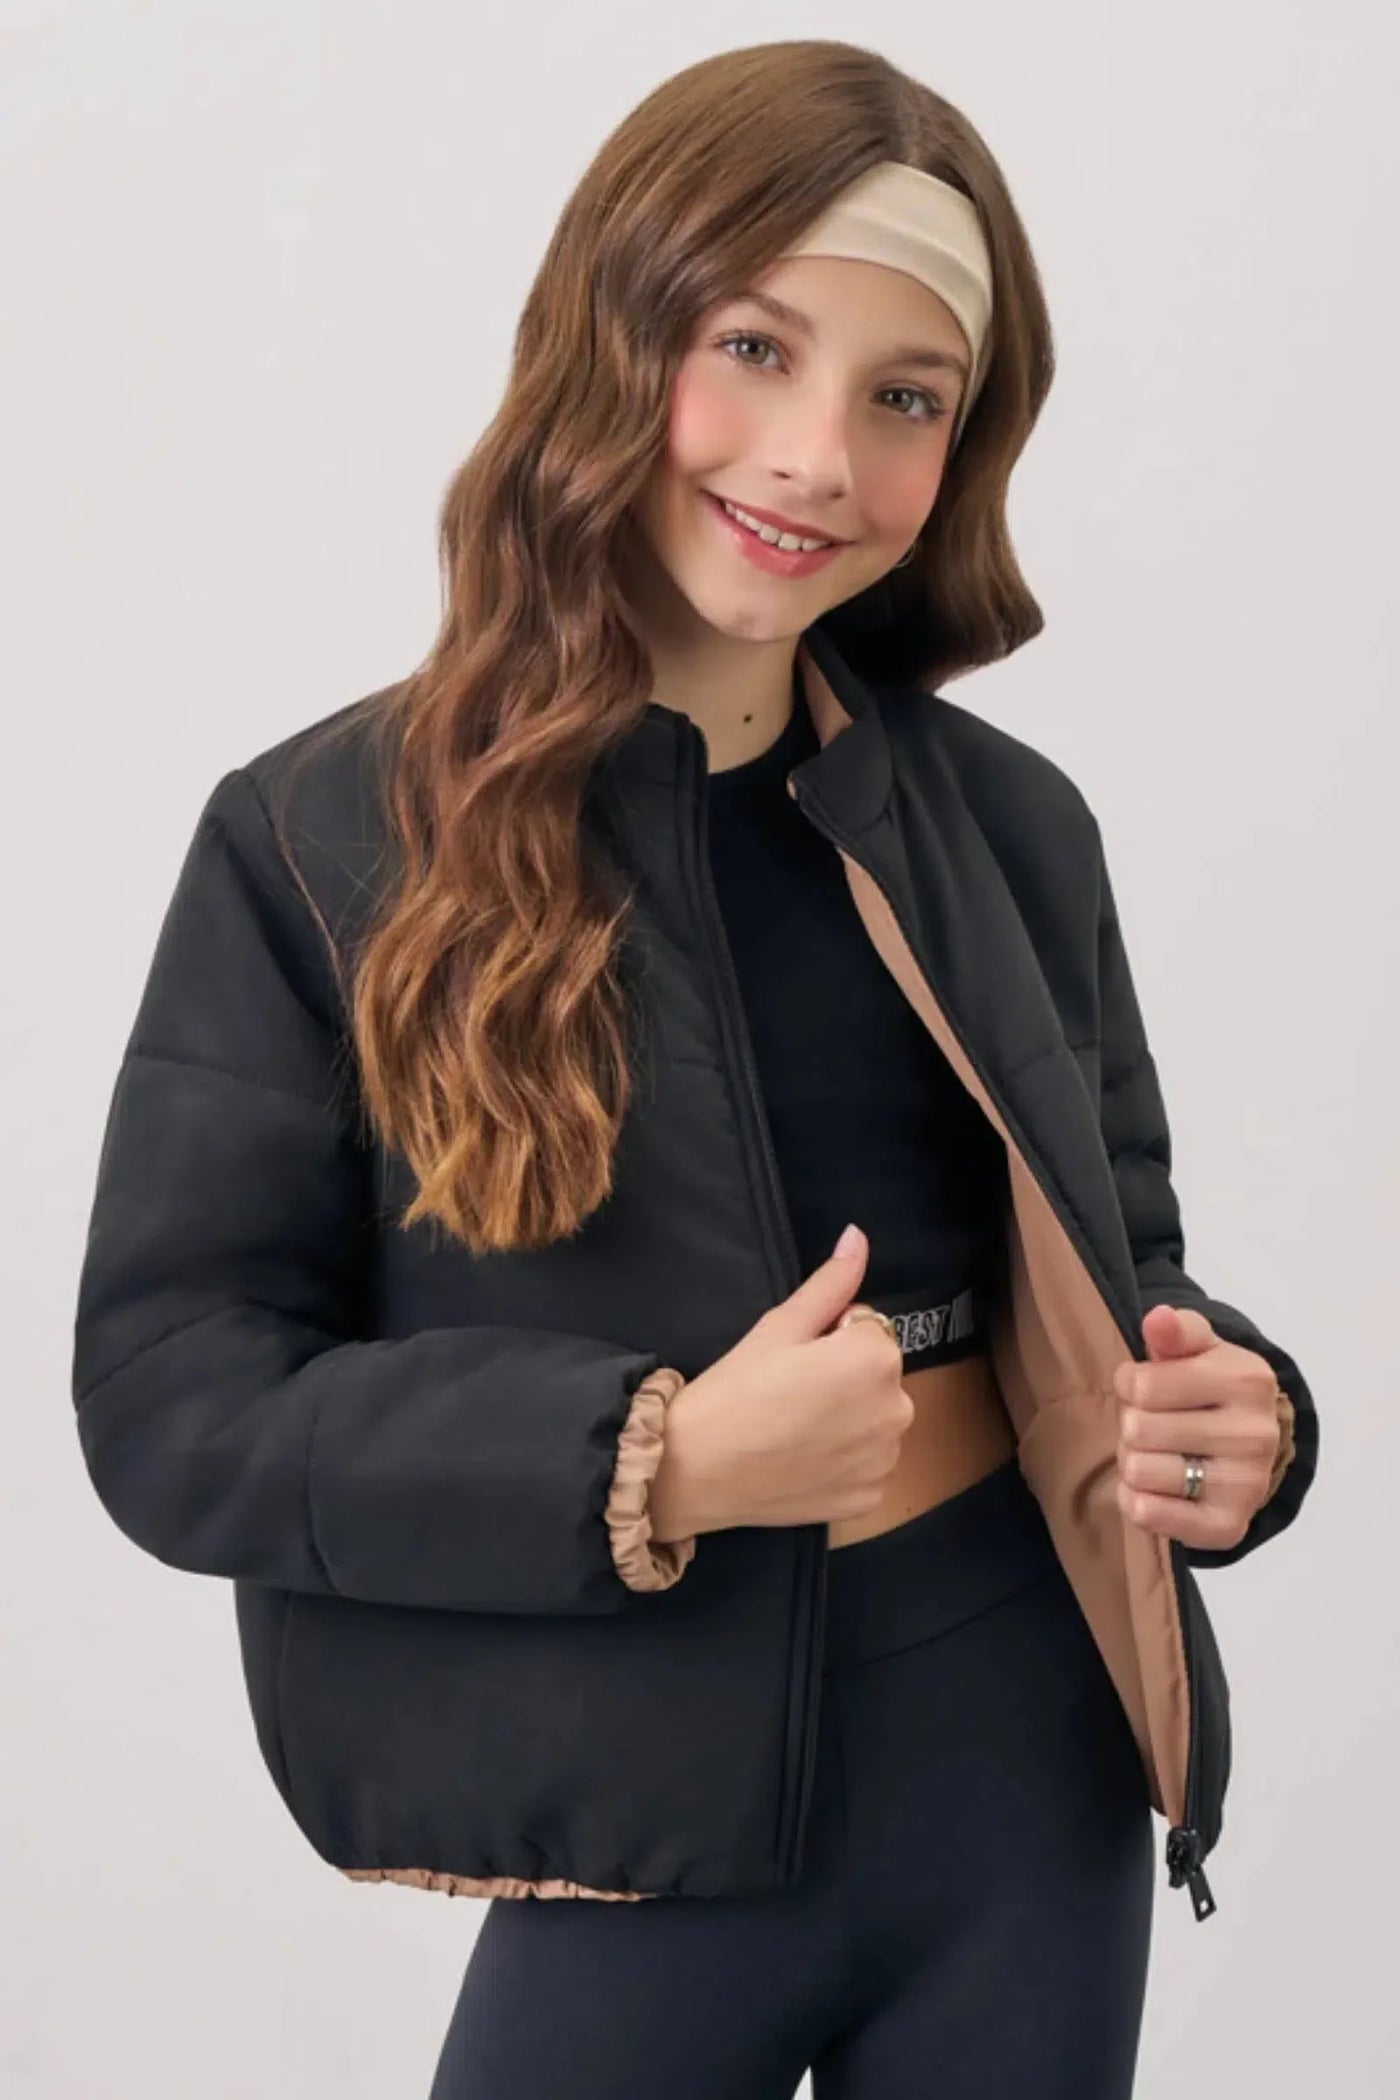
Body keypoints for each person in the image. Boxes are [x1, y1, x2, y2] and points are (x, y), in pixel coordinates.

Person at [71, 37, 1317, 2100]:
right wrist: (651, 1462)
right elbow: (169, 1402)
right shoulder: (319, 840)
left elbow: (1124, 1257)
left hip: (1037, 1762)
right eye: (753, 347)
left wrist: (1234, 1413)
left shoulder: (1011, 830)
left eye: (905, 397)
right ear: (611, 331)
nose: (817, 457)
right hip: (643, 1808)